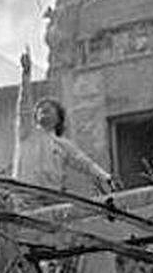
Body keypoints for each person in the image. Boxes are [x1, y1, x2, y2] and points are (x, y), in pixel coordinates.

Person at [13, 49, 117, 199]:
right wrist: (26, 75)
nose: (43, 110)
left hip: (51, 197)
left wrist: (104, 176)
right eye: (40, 109)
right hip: (24, 198)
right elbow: (24, 107)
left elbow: (84, 163)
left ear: (58, 117)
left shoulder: (63, 145)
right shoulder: (27, 133)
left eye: (48, 108)